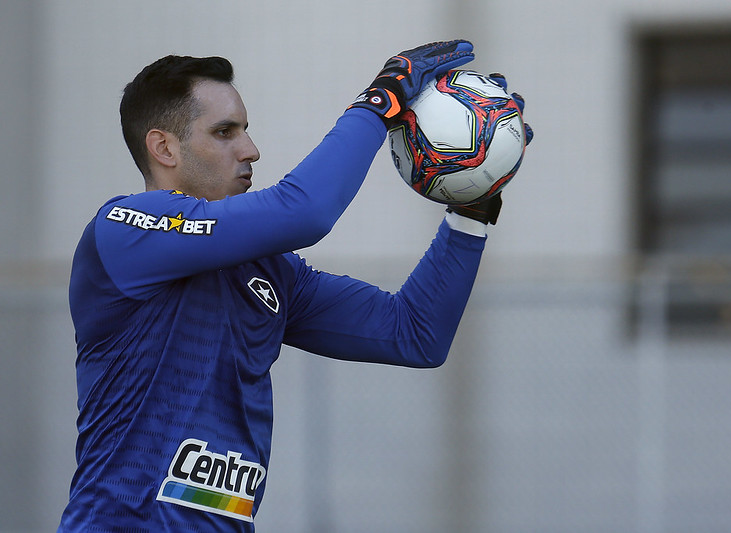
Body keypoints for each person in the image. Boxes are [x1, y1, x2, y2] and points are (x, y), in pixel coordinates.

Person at [58, 40, 533, 531]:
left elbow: (414, 333)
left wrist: (474, 205)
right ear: (164, 148)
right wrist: (378, 104)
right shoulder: (125, 229)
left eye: (246, 130)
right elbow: (304, 211)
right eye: (225, 132)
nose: (250, 150)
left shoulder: (269, 273)